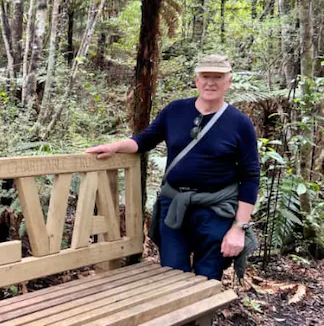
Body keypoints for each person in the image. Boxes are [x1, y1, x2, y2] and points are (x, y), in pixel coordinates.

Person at [86, 54, 260, 281]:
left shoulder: (240, 123)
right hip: (174, 205)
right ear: (197, 80)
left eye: (218, 77)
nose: (211, 82)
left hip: (215, 210)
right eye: (205, 76)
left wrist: (238, 228)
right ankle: (182, 318)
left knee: (208, 278)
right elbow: (144, 140)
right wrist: (115, 146)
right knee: (172, 273)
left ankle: (201, 318)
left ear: (229, 81)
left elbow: (250, 176)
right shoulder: (175, 111)